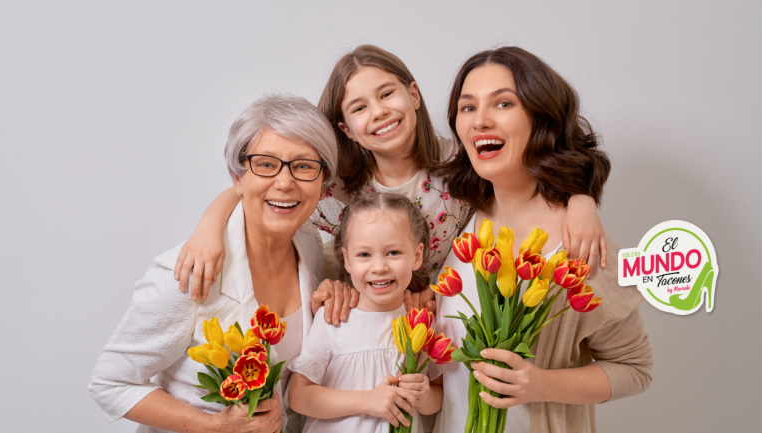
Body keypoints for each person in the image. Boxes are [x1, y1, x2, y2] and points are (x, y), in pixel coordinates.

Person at [171, 45, 608, 326]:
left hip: (444, 325)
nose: (378, 112)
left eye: (387, 94)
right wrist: (209, 226)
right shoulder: (335, 188)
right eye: (359, 107)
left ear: (413, 95)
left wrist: (582, 200)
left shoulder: (460, 163)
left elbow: (539, 162)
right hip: (362, 325)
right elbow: (262, 184)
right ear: (346, 128)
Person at [433, 47, 653, 433]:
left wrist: (541, 384)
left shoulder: (581, 243)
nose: (480, 120)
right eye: (467, 108)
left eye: (503, 103)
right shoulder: (456, 217)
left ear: (541, 117)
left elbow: (635, 370)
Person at [89, 94, 337, 433]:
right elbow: (111, 382)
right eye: (266, 164)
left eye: (304, 166)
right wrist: (215, 425)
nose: (285, 182)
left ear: (323, 183)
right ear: (237, 178)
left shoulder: (307, 242)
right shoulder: (187, 275)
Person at [287, 192, 443, 433]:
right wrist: (368, 400)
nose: (379, 267)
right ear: (347, 260)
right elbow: (298, 396)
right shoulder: (334, 319)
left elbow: (438, 397)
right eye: (364, 255)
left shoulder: (421, 324)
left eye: (393, 252)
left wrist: (424, 397)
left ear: (417, 255)